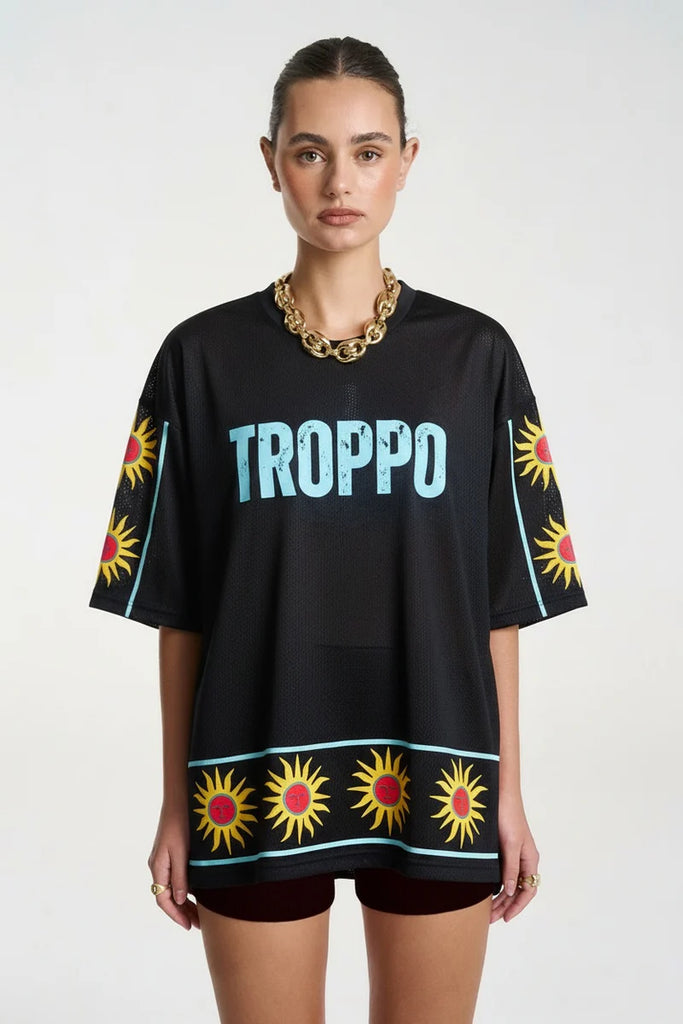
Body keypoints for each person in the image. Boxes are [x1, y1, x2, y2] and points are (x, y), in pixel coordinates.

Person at [89, 35, 587, 1024]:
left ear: (407, 160)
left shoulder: (474, 357)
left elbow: (498, 599)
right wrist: (177, 800)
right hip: (251, 766)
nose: (339, 180)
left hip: (439, 764)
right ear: (270, 161)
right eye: (309, 151)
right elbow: (179, 606)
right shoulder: (200, 359)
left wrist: (506, 792)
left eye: (367, 151)